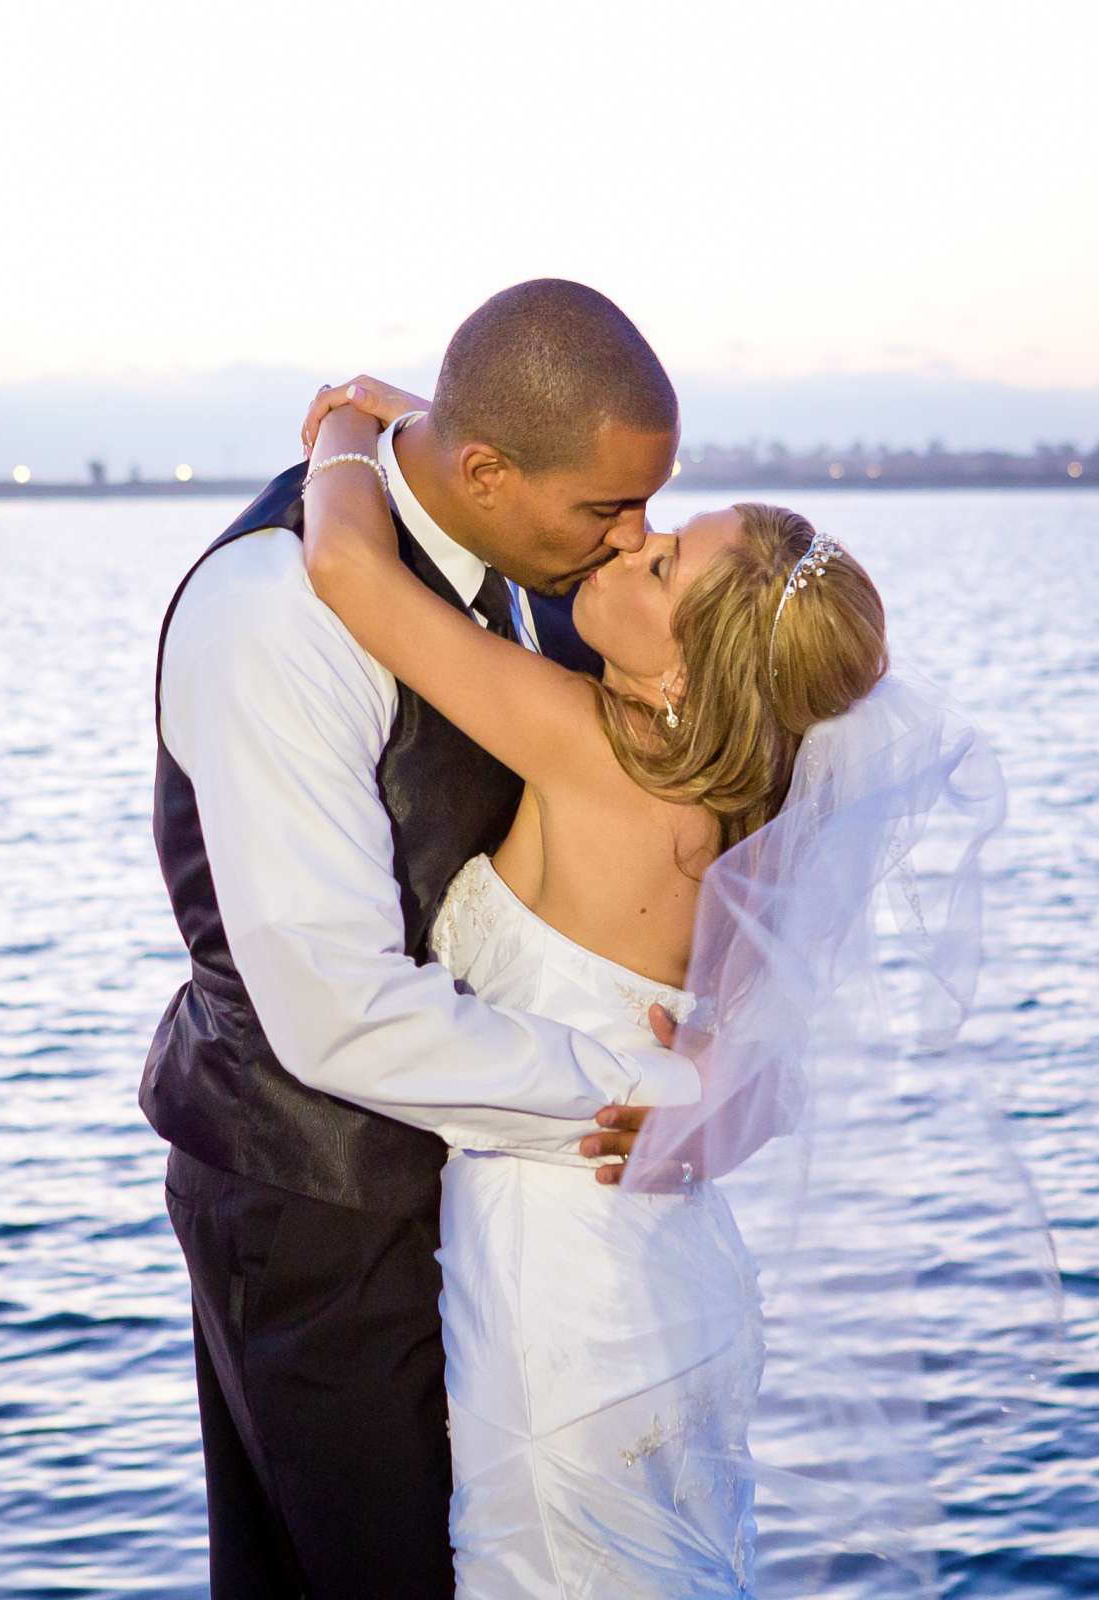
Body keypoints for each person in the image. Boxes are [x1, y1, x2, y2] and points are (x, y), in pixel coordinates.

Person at [141, 279, 702, 1596]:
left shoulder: (537, 561)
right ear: (488, 469)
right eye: (607, 510)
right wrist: (635, 1099)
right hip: (319, 1208)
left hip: (489, 1200)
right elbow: (336, 1009)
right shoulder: (278, 611)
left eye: (647, 504)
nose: (636, 541)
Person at [294, 372, 891, 1593]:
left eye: (663, 564)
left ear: (688, 673)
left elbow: (348, 572)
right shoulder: (745, 804)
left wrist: (358, 426)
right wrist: (485, 444)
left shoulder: (585, 747)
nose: (628, 543)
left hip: (566, 1288)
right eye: (647, 528)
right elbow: (761, 1067)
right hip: (676, 1282)